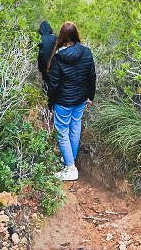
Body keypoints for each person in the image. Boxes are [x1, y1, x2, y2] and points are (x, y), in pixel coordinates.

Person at [45, 21, 96, 181]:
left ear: (61, 36)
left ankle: (71, 169)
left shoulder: (58, 57)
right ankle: (70, 158)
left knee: (62, 130)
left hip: (63, 100)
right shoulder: (86, 52)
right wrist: (90, 96)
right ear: (76, 35)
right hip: (80, 98)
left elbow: (53, 84)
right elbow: (92, 76)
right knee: (75, 125)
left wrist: (50, 102)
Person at [36, 20, 57, 91]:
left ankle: (46, 92)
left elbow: (40, 53)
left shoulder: (39, 39)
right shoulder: (55, 38)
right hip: (53, 63)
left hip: (43, 63)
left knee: (45, 80)